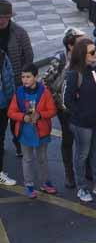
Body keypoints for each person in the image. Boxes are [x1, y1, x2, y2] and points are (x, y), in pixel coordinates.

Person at [63, 37, 96, 203]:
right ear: (82, 55)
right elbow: (67, 100)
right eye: (92, 52)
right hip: (83, 124)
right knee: (82, 155)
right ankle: (82, 188)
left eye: (95, 50)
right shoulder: (74, 74)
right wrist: (81, 114)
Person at [7, 65, 56, 199]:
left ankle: (45, 182)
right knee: (27, 159)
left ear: (36, 77)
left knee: (42, 159)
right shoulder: (19, 93)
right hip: (25, 131)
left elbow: (52, 110)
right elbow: (11, 112)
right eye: (23, 77)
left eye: (28, 77)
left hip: (41, 131)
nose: (25, 80)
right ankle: (29, 185)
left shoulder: (44, 92)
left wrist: (40, 115)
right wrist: (23, 117)